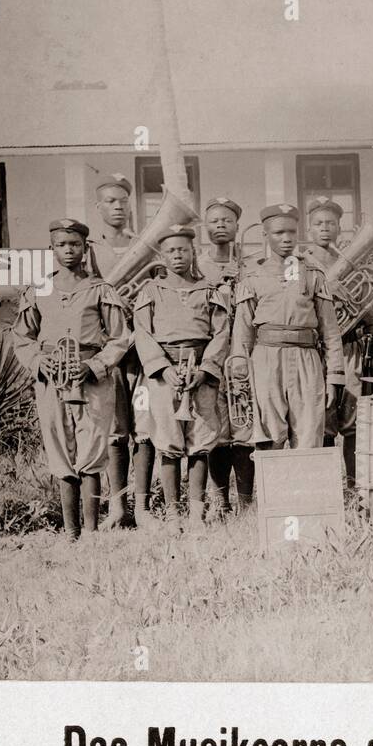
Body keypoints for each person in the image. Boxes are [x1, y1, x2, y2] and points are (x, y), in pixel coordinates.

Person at [11, 219, 132, 539]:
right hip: (52, 380)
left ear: (85, 248)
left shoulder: (100, 289)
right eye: (62, 244)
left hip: (90, 378)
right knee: (60, 450)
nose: (69, 250)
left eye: (75, 244)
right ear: (52, 248)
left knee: (92, 449)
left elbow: (120, 338)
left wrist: (95, 365)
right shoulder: (40, 289)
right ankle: (70, 533)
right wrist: (39, 362)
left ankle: (90, 533)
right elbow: (22, 338)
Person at [132, 225, 232, 526]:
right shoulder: (151, 291)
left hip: (200, 373)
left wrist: (205, 370)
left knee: (200, 441)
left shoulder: (209, 291)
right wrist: (162, 367)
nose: (178, 255)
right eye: (171, 250)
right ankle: (173, 512)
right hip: (165, 375)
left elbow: (220, 333)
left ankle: (196, 512)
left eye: (184, 250)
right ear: (162, 255)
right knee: (168, 441)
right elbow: (143, 333)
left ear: (193, 252)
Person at [230, 204, 345, 449]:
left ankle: (306, 488)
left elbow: (331, 331)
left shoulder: (314, 273)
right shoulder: (252, 276)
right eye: (278, 233)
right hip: (265, 360)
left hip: (307, 359)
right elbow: (242, 330)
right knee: (269, 435)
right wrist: (240, 373)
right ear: (265, 235)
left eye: (292, 232)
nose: (286, 238)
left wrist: (334, 375)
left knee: (308, 435)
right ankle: (272, 488)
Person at [89, 173, 148, 528]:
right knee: (115, 430)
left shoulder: (144, 242)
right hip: (111, 352)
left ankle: (142, 507)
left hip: (142, 352)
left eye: (123, 201)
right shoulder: (91, 250)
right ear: (99, 208)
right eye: (110, 201)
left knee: (145, 427)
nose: (118, 207)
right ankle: (116, 508)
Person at [198, 197, 256, 513]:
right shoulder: (197, 267)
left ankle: (246, 502)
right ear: (205, 227)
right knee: (216, 425)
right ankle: (219, 500)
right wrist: (216, 283)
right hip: (211, 352)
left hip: (244, 352)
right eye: (215, 220)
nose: (221, 225)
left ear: (237, 227)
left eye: (228, 220)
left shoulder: (251, 264)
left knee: (244, 424)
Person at [304, 197, 365, 489]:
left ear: (340, 227)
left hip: (350, 346)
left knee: (352, 420)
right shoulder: (301, 262)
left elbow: (366, 306)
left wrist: (355, 300)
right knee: (324, 418)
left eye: (330, 223)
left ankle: (353, 486)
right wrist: (329, 288)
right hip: (320, 352)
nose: (325, 229)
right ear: (309, 228)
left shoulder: (352, 260)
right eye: (318, 224)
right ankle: (327, 488)